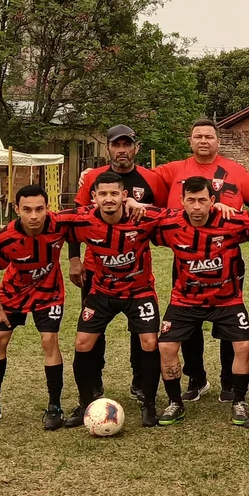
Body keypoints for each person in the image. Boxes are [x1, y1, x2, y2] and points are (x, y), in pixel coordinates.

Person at [154, 119, 249, 402]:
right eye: (198, 136)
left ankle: (229, 381)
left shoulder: (235, 170)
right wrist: (93, 174)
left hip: (227, 259)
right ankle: (196, 378)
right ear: (190, 141)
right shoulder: (174, 169)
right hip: (186, 259)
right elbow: (135, 177)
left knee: (229, 321)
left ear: (218, 141)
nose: (203, 141)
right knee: (187, 319)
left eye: (209, 136)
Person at [54, 172, 169, 427]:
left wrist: (143, 205)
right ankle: (85, 403)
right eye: (103, 194)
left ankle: (149, 404)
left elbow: (176, 215)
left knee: (150, 342)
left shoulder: (141, 216)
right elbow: (52, 221)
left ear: (124, 196)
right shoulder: (83, 219)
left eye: (114, 193)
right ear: (93, 197)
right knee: (82, 342)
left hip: (139, 292)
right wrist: (73, 259)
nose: (109, 199)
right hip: (102, 292)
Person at [68, 124, 167, 403]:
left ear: (136, 147)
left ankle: (140, 381)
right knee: (93, 329)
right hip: (96, 268)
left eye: (127, 145)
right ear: (108, 148)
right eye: (116, 145)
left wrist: (139, 206)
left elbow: (165, 214)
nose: (122, 150)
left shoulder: (151, 178)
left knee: (141, 330)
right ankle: (94, 381)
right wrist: (74, 259)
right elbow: (76, 219)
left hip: (136, 270)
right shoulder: (93, 178)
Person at [152, 177, 249, 426]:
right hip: (185, 300)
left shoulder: (232, 221)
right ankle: (175, 402)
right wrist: (132, 203)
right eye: (191, 200)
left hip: (227, 300)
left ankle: (239, 400)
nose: (196, 206)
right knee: (166, 347)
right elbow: (140, 215)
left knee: (243, 346)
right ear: (182, 201)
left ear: (213, 200)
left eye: (202, 200)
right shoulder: (169, 224)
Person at [0, 185, 67, 429]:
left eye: (39, 209)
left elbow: (90, 213)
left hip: (49, 293)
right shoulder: (5, 239)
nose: (34, 216)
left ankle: (54, 407)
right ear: (17, 209)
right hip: (14, 294)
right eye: (27, 209)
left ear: (48, 208)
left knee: (49, 341)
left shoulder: (60, 225)